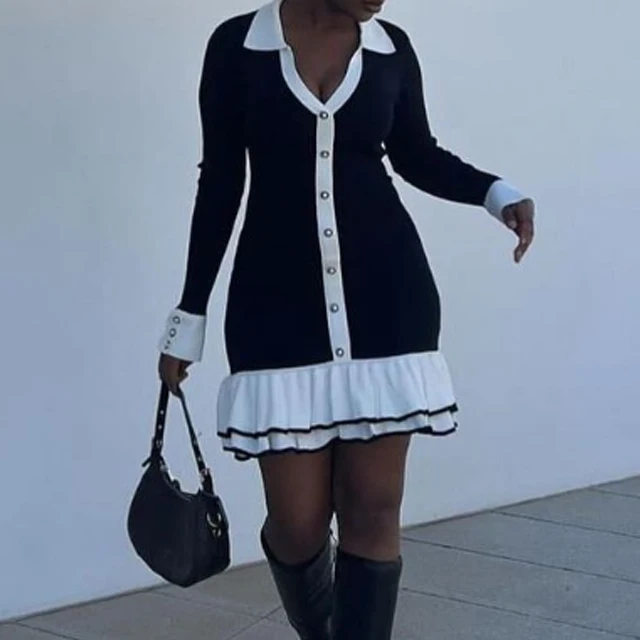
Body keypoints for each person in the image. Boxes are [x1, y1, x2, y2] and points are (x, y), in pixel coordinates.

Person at [157, 0, 535, 637]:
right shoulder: (237, 46)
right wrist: (187, 316)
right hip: (274, 309)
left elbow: (415, 153)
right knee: (297, 525)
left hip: (389, 303)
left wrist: (496, 193)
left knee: (374, 509)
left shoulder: (391, 48)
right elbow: (220, 181)